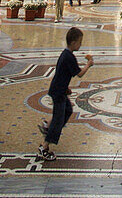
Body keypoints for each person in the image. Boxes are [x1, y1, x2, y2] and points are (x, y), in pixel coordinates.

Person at [37, 26, 94, 161]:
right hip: (58, 93)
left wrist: (66, 87)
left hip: (59, 89)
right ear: (74, 43)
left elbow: (62, 74)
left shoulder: (65, 54)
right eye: (80, 42)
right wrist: (89, 65)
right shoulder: (69, 57)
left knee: (67, 111)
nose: (80, 45)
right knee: (58, 119)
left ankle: (49, 126)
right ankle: (44, 147)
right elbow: (79, 74)